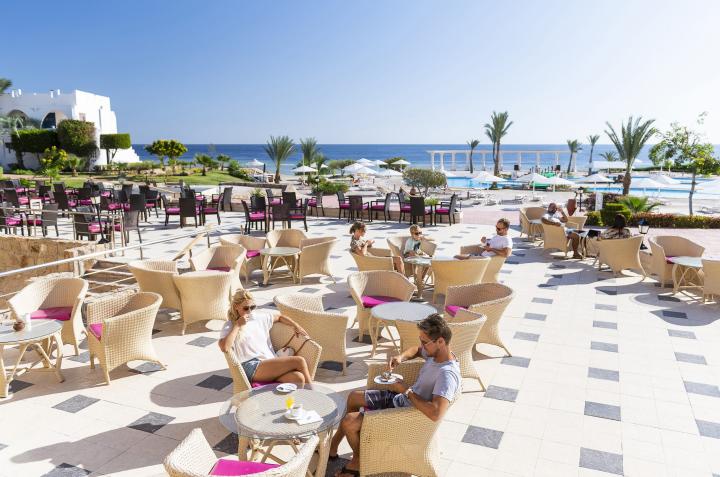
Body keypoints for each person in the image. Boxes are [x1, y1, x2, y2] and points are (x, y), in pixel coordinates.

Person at [329, 314, 461, 477]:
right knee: (353, 397)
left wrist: (406, 390)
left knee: (350, 422)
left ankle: (358, 461)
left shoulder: (447, 375)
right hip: (401, 400)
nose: (422, 345)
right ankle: (333, 446)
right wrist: (400, 357)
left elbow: (436, 413)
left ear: (440, 341)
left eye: (424, 342)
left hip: (405, 416)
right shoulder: (436, 353)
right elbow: (416, 350)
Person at [218, 290, 313, 385]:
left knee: (298, 378)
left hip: (268, 362)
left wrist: (296, 325)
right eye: (246, 308)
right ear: (236, 307)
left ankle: (282, 393)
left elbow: (279, 317)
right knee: (299, 361)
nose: (249, 311)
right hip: (250, 366)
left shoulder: (258, 317)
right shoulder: (230, 325)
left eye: (252, 307)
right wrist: (238, 325)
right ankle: (313, 393)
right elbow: (224, 347)